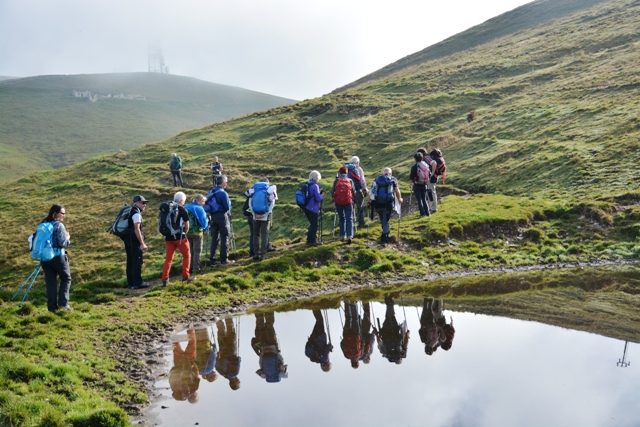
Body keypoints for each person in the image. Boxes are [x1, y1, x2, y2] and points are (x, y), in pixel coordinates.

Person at [38, 204, 72, 312]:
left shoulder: (43, 224)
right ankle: (63, 305)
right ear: (55, 213)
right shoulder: (59, 225)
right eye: (62, 213)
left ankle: (51, 308)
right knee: (66, 278)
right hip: (58, 257)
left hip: (45, 258)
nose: (64, 216)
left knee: (51, 283)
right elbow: (62, 243)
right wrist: (68, 238)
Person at [161, 191, 194, 286]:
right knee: (187, 256)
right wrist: (184, 233)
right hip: (180, 237)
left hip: (168, 237)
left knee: (168, 259)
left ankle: (165, 279)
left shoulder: (167, 208)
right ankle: (185, 276)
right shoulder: (181, 209)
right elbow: (187, 225)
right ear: (182, 200)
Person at [205, 175, 235, 266]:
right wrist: (229, 204)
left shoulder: (212, 191)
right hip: (222, 216)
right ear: (222, 183)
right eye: (226, 182)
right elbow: (226, 207)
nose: (226, 183)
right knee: (224, 236)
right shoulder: (223, 193)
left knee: (214, 237)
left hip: (212, 216)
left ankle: (213, 260)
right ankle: (224, 259)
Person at [369, 168, 403, 245]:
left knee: (382, 218)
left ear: (383, 173)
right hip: (388, 203)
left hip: (377, 203)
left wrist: (369, 201)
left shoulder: (377, 179)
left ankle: (386, 232)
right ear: (390, 173)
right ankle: (384, 238)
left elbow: (371, 190)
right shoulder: (393, 180)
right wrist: (400, 199)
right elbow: (397, 191)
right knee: (386, 220)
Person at [252, 312, 288, 383]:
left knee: (270, 326)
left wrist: (273, 351)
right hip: (263, 347)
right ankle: (259, 312)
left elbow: (280, 358)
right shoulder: (264, 371)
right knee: (261, 328)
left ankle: (269, 310)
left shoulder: (279, 371)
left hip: (273, 345)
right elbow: (261, 360)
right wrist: (264, 352)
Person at [122, 195, 149, 290]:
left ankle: (131, 283)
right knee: (137, 261)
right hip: (134, 241)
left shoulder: (131, 211)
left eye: (145, 203)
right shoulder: (137, 214)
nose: (145, 205)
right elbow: (136, 229)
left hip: (128, 240)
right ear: (137, 203)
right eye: (143, 203)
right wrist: (142, 243)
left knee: (130, 261)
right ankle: (137, 283)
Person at [375, 295, 410, 364]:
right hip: (385, 332)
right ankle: (389, 301)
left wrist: (407, 334)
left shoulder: (402, 354)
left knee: (391, 316)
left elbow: (405, 343)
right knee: (388, 317)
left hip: (395, 332)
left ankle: (390, 301)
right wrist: (376, 334)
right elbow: (379, 343)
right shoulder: (385, 354)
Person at [249, 178, 277, 261]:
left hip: (255, 216)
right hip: (265, 217)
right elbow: (272, 205)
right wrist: (265, 214)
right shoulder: (270, 190)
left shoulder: (253, 190)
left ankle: (256, 254)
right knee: (264, 234)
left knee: (255, 234)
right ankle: (263, 254)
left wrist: (255, 214)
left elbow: (250, 204)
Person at [169, 328, 200, 403]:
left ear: (194, 395)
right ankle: (173, 330)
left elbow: (196, 374)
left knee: (192, 343)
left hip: (189, 362)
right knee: (176, 346)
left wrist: (193, 364)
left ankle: (190, 329)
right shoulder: (178, 391)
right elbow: (171, 379)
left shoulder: (194, 388)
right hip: (178, 364)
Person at [184, 194, 209, 275]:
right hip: (197, 232)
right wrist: (207, 223)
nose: (204, 203)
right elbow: (203, 221)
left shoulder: (186, 207)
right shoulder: (199, 208)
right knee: (197, 250)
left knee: (190, 250)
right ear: (198, 201)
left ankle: (189, 267)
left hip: (187, 231)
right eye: (203, 201)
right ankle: (196, 268)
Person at [332, 166, 356, 244]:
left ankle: (342, 235)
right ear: (346, 172)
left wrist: (335, 198)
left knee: (342, 218)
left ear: (339, 172)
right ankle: (350, 236)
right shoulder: (350, 181)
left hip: (338, 202)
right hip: (348, 202)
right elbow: (354, 192)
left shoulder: (336, 181)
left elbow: (332, 192)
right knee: (349, 218)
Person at [216, 318, 241, 391]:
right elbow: (216, 364)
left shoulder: (235, 373)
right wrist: (218, 355)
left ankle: (228, 317)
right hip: (222, 350)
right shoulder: (222, 373)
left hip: (231, 349)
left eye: (238, 382)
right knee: (221, 331)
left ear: (235, 383)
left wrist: (238, 359)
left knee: (231, 331)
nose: (239, 381)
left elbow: (238, 360)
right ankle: (218, 319)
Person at [303, 170, 324, 246]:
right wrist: (321, 195)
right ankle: (312, 241)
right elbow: (318, 198)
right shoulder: (315, 186)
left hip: (306, 207)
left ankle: (309, 239)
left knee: (312, 224)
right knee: (314, 225)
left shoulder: (308, 184)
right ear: (316, 178)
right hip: (313, 208)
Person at [340, 301, 362, 369]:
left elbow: (363, 343)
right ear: (351, 363)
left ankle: (353, 303)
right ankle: (346, 303)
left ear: (357, 362)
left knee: (355, 318)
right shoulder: (347, 356)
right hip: (346, 335)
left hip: (356, 334)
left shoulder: (360, 355)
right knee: (348, 318)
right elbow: (341, 345)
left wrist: (360, 339)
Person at [417, 147, 439, 214]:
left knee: (432, 192)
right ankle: (430, 208)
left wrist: (432, 174)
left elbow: (434, 163)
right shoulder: (426, 157)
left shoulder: (426, 158)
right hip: (431, 178)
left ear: (422, 153)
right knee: (430, 192)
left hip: (432, 178)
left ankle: (433, 208)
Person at [348, 156, 368, 228]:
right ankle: (361, 223)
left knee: (349, 208)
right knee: (360, 207)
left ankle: (349, 224)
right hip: (357, 190)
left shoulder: (346, 168)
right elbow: (362, 180)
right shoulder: (358, 169)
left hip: (348, 192)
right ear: (358, 162)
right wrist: (365, 188)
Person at [409, 152, 431, 217]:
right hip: (424, 184)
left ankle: (422, 214)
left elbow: (411, 177)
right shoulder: (426, 165)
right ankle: (427, 213)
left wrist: (414, 179)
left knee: (419, 200)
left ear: (415, 159)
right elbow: (429, 174)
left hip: (416, 184)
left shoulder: (415, 166)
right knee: (424, 199)